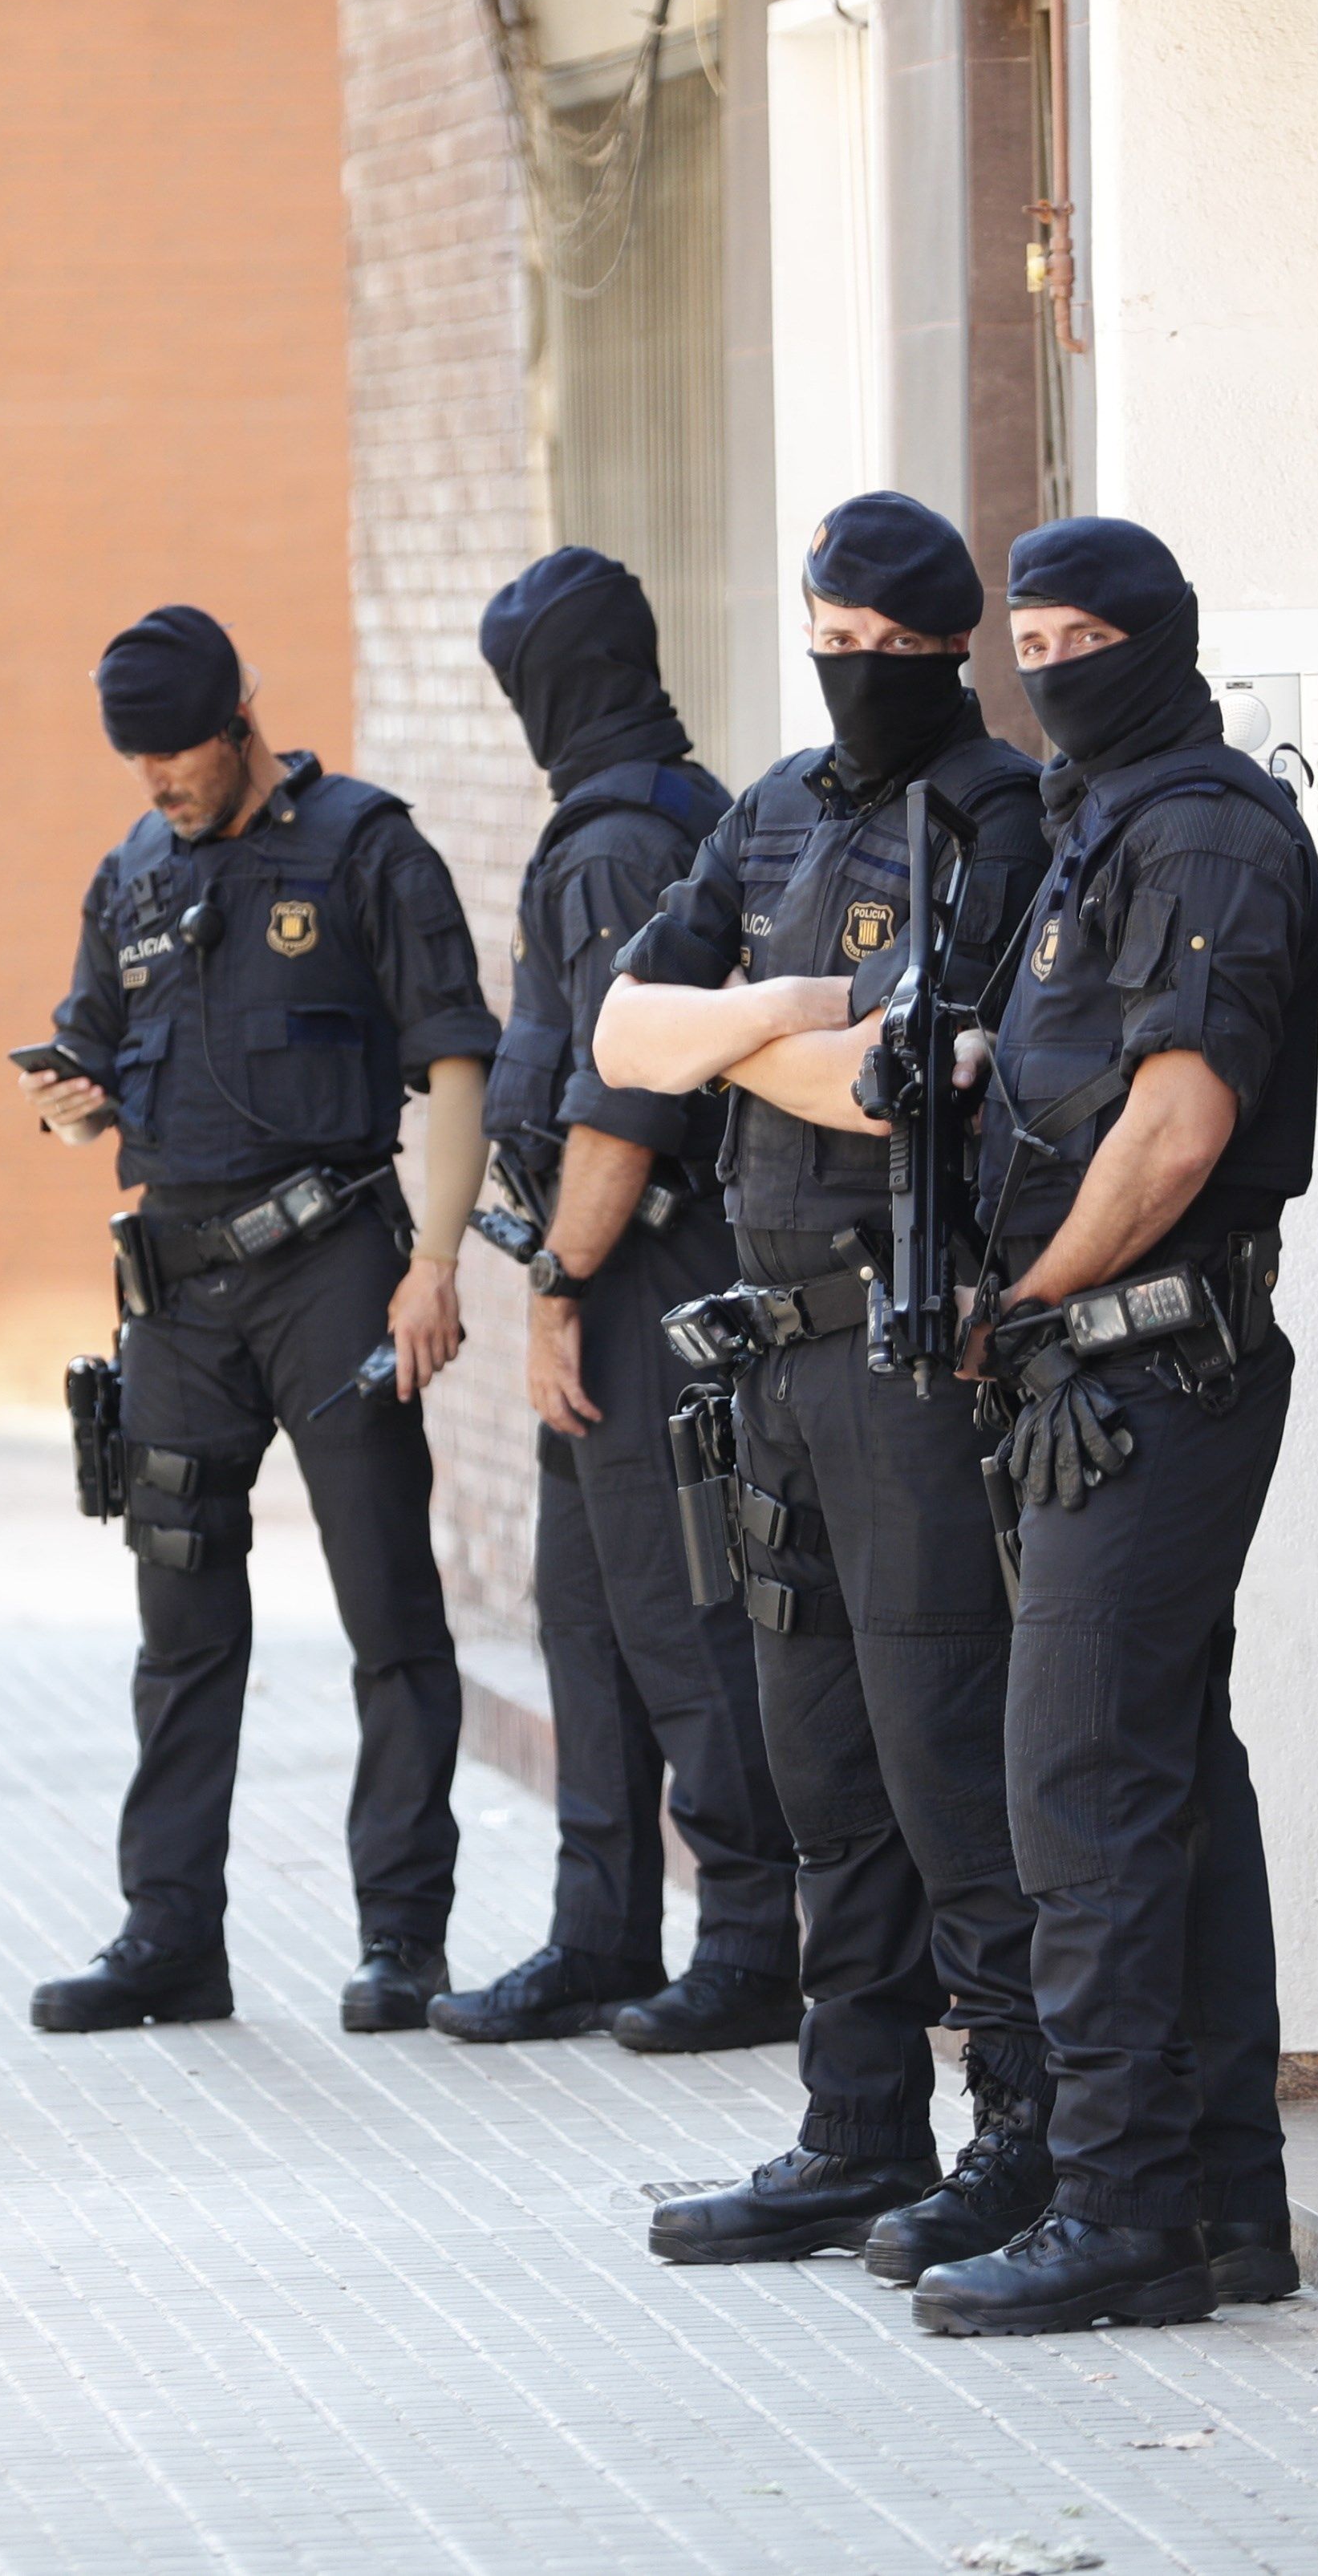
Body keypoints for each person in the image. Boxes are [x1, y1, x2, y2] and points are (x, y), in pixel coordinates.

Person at [590, 493, 1064, 2281]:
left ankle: (1021, 2135)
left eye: (883, 647)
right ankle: (856, 2129)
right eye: (828, 640)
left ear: (948, 647)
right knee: (818, 1767)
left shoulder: (999, 821)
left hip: (906, 1341)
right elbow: (632, 1038)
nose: (849, 672)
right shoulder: (772, 805)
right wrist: (786, 1016)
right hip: (771, 1345)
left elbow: (921, 1075)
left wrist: (760, 1037)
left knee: (945, 1754)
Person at [902, 517, 1318, 2337]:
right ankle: (1224, 2205)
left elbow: (1177, 1123)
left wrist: (1035, 1296)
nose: (1049, 667)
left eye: (1085, 637)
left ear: (1156, 643)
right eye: (1031, 637)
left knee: (1077, 1787)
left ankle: (1118, 2213)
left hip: (1150, 1361)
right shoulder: (1097, 826)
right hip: (1095, 1367)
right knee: (1165, 1781)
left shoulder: (1209, 827)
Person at [22, 605, 501, 2036]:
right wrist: (66, 1103)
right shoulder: (133, 870)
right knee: (178, 1620)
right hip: (177, 1289)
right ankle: (171, 1935)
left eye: (176, 751)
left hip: (335, 1267)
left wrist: (436, 1263)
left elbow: (457, 1059)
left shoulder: (366, 849)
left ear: (240, 721)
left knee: (388, 1610)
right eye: (137, 758)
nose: (157, 779)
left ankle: (402, 1937)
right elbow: (95, 1062)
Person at [425, 548, 801, 2055]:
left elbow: (622, 1102)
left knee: (681, 1611)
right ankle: (598, 1933)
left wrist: (560, 1284)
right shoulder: (669, 814)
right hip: (624, 1270)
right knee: (586, 1613)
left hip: (645, 1273)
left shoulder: (614, 848)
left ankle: (750, 1941)